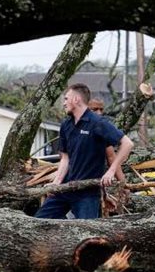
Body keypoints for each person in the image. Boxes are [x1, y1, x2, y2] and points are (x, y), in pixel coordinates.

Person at [35, 83, 134, 219]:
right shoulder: (66, 125)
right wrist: (56, 182)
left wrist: (111, 171)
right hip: (65, 188)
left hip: (88, 193)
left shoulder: (97, 123)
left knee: (87, 233)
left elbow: (127, 144)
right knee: (38, 222)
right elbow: (65, 159)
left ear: (76, 99)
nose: (63, 103)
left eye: (66, 98)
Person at [88, 98, 126, 183]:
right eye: (94, 109)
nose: (99, 113)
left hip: (93, 180)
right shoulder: (70, 126)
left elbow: (111, 156)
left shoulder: (101, 129)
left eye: (101, 109)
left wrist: (123, 183)